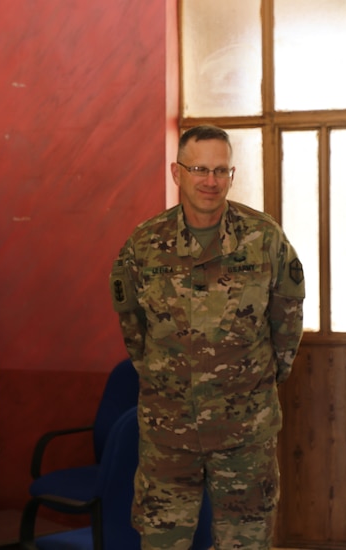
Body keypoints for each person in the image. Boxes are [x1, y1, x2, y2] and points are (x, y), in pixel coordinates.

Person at [109, 125, 305, 548]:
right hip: (168, 432)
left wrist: (258, 384)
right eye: (199, 169)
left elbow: (286, 323)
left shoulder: (264, 238)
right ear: (177, 172)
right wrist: (167, 380)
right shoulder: (144, 245)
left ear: (232, 175)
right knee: (163, 541)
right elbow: (133, 329)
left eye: (220, 170)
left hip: (244, 432)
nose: (210, 181)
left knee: (247, 542)